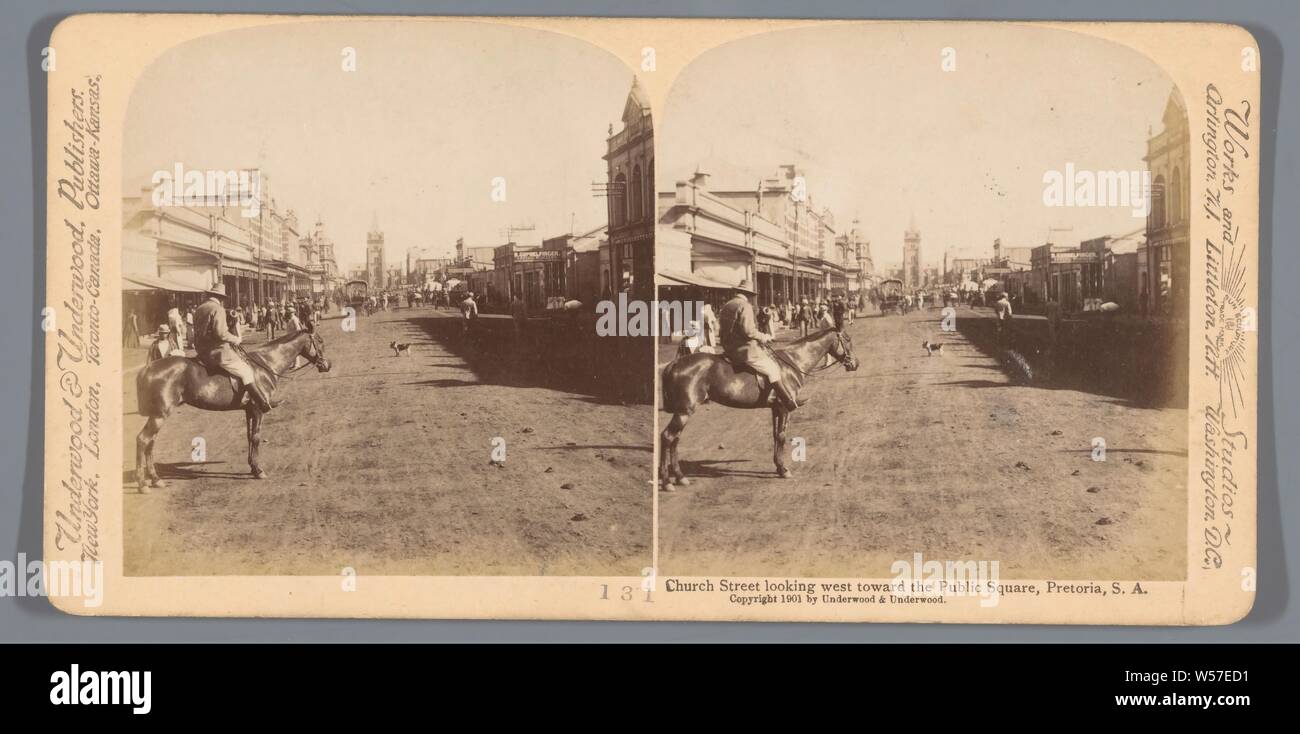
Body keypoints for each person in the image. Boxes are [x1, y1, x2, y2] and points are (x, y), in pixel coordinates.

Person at [718, 279, 804, 412]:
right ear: (749, 294)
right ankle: (787, 401)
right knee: (772, 368)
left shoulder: (727, 305)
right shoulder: (745, 306)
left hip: (728, 348)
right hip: (744, 350)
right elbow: (748, 331)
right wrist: (764, 337)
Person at [193, 283, 275, 412]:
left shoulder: (200, 308)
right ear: (221, 297)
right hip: (218, 352)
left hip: (201, 351)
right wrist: (235, 339)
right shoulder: (217, 309)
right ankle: (262, 402)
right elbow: (221, 333)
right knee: (246, 370)